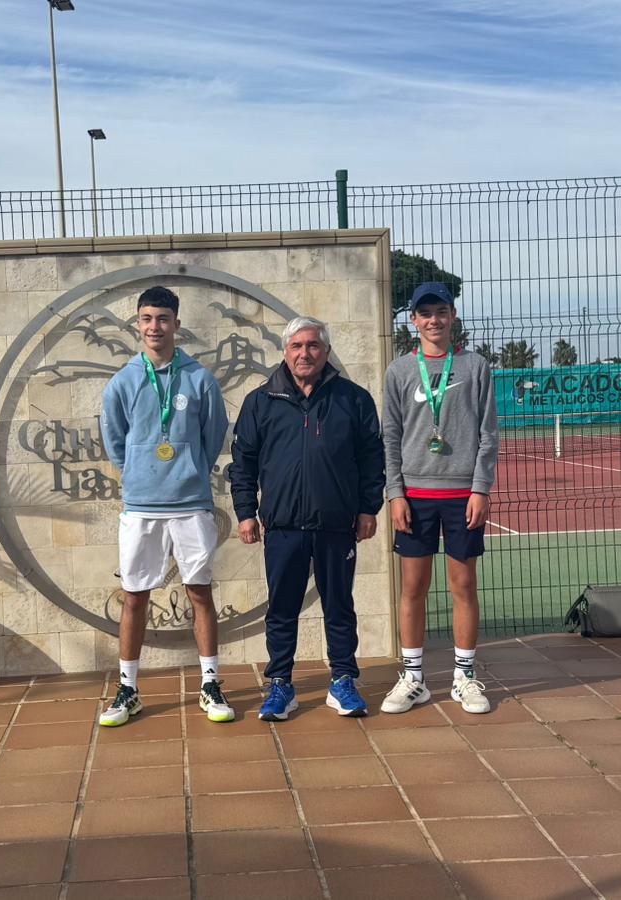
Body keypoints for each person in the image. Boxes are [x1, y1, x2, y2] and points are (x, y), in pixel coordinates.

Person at [230, 317, 384, 720]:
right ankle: (281, 684)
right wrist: (246, 513)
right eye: (297, 346)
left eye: (313, 345)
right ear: (285, 351)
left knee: (339, 607)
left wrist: (368, 508)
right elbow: (242, 463)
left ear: (326, 351)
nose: (305, 353)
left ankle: (343, 681)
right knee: (282, 610)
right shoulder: (260, 401)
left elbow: (372, 459)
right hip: (283, 527)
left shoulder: (353, 399)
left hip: (337, 525)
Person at [98, 286, 233, 726]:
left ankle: (210, 684)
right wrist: (139, 472)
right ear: (137, 324)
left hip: (191, 503)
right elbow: (114, 440)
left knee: (200, 593)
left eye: (162, 318)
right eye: (146, 319)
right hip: (142, 506)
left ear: (176, 323)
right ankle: (128, 689)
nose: (154, 327)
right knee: (134, 597)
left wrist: (190, 470)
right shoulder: (123, 381)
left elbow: (213, 434)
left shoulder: (199, 379)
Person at [380, 281, 500, 715]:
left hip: (462, 496)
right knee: (413, 587)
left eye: (441, 311)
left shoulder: (475, 366)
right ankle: (414, 678)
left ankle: (464, 676)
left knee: (463, 585)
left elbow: (488, 434)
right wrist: (395, 493)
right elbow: (390, 436)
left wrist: (480, 488)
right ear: (413, 320)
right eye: (425, 313)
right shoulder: (399, 371)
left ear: (453, 316)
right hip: (414, 497)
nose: (434, 320)